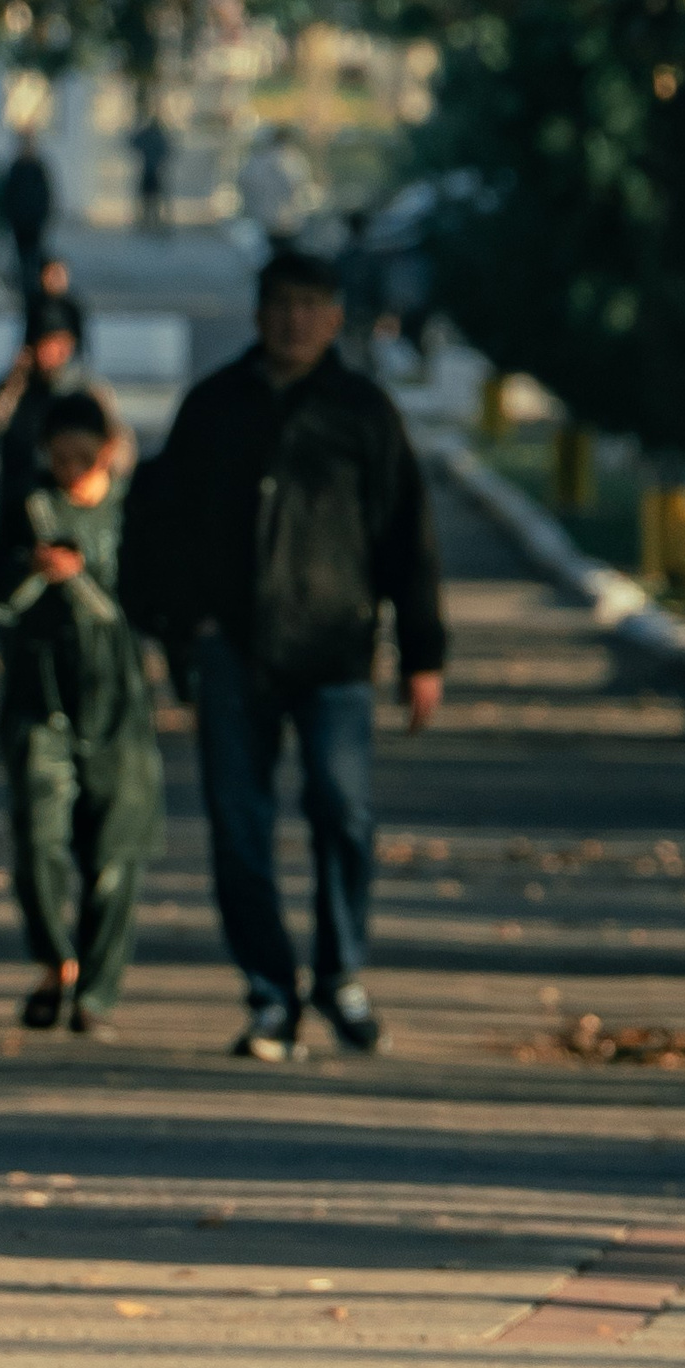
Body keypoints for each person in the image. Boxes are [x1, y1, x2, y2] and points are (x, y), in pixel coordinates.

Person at [124, 246, 446, 1062]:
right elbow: (158, 522)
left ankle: (341, 976)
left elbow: (407, 536)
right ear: (260, 312)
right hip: (232, 651)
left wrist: (422, 651)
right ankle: (271, 993)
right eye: (281, 304)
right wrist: (172, 627)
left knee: (344, 814)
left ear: (335, 317)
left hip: (336, 653)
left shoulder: (363, 413)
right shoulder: (214, 408)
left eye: (311, 305)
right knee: (240, 829)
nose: (295, 320)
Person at [0, 389, 162, 1039]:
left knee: (116, 856)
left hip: (120, 706)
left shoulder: (136, 509)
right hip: (41, 699)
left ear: (109, 451)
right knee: (38, 844)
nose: (71, 470)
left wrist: (89, 578)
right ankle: (56, 960)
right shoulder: (29, 507)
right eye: (60, 458)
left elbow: (155, 598)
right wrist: (32, 568)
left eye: (84, 457)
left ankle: (97, 994)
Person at [0, 276, 131, 548]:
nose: (55, 355)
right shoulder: (15, 390)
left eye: (62, 345)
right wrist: (11, 387)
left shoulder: (88, 392)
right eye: (47, 345)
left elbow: (120, 452)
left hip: (76, 516)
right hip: (20, 511)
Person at [0, 129, 54, 306]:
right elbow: (9, 195)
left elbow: (45, 196)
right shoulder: (17, 168)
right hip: (20, 222)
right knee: (23, 257)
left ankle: (34, 289)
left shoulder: (37, 168)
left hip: (33, 222)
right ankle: (26, 289)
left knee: (33, 255)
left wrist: (42, 216)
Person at [131, 110, 173, 233]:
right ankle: (154, 222)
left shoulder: (148, 136)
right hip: (155, 170)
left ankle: (147, 222)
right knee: (155, 198)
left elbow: (134, 142)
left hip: (149, 170)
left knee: (148, 198)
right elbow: (167, 151)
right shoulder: (159, 136)